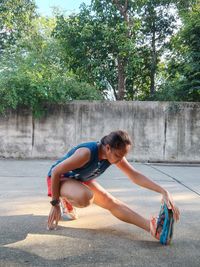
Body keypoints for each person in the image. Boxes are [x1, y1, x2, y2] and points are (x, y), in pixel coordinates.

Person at [47, 130, 180, 242]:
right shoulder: (86, 153)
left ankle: (153, 228)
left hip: (80, 180)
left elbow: (134, 175)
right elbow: (56, 171)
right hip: (59, 179)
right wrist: (55, 203)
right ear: (108, 148)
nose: (119, 160)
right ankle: (65, 198)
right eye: (117, 155)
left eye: (122, 156)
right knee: (85, 197)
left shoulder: (114, 155)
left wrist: (163, 191)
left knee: (110, 200)